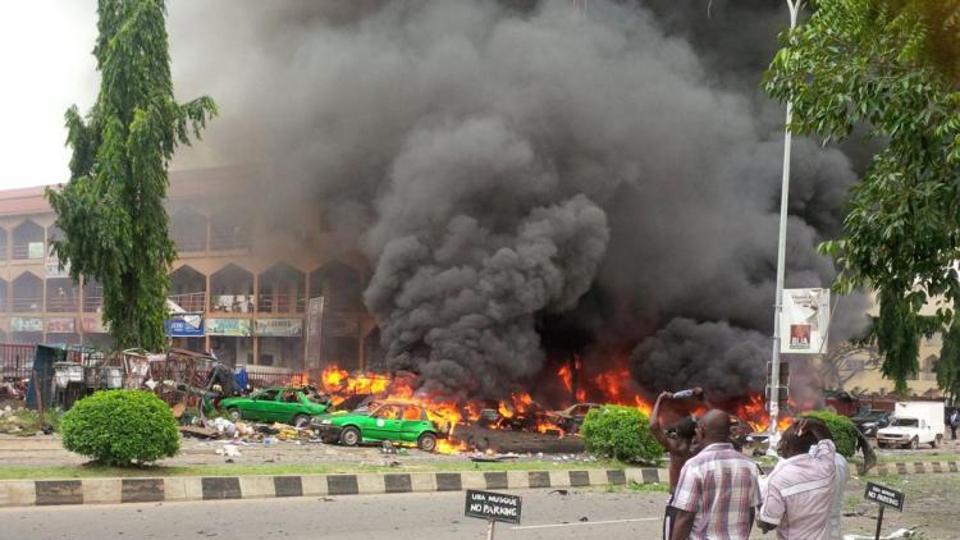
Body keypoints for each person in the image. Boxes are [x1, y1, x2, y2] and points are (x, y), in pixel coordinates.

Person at [670, 409, 760, 540]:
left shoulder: (695, 466)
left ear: (701, 432)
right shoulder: (749, 466)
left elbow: (685, 517)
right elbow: (750, 511)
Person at [758, 418, 838, 539]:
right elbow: (827, 441)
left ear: (784, 445)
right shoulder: (826, 466)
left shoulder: (778, 479)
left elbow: (768, 524)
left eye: (781, 440)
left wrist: (760, 502)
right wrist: (815, 425)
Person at [650, 388, 703, 540]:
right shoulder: (699, 449)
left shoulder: (675, 448)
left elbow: (653, 426)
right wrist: (700, 397)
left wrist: (660, 399)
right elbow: (714, 422)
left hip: (677, 498)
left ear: (677, 433)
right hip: (696, 498)